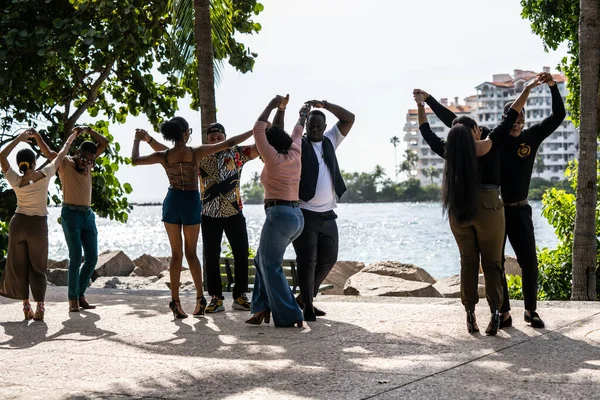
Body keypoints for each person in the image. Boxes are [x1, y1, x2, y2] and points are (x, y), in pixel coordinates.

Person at [415, 71, 563, 329]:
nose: (516, 123)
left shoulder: (528, 137)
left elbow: (558, 116)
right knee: (495, 264)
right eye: (513, 119)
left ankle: (522, 311)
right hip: (494, 210)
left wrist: (426, 102)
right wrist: (428, 101)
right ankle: (502, 312)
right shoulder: (493, 138)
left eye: (520, 120)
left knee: (515, 262)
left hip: (504, 209)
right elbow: (456, 121)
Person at [131, 116, 253, 319]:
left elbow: (135, 160)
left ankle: (176, 303)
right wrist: (256, 129)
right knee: (192, 254)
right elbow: (231, 142)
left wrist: (139, 140)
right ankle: (200, 300)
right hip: (190, 202)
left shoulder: (165, 155)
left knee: (176, 255)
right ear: (186, 133)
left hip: (172, 201)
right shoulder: (196, 153)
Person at [0, 128, 77, 320]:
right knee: (38, 268)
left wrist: (19, 138)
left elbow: (1, 155)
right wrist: (72, 137)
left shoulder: (15, 180)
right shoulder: (45, 174)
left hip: (18, 224)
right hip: (37, 227)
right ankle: (40, 307)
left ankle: (26, 306)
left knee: (19, 265)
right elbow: (61, 154)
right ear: (34, 162)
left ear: (20, 165)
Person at [246, 96, 308, 328]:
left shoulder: (271, 159)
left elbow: (258, 128)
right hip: (296, 218)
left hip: (279, 216)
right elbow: (297, 130)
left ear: (269, 147)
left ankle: (291, 314)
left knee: (270, 266)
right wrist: (300, 113)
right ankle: (261, 307)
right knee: (260, 260)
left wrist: (272, 105)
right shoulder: (294, 151)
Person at [292, 99, 355, 321]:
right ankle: (308, 304)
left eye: (319, 126)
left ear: (325, 126)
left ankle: (304, 297)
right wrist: (301, 116)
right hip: (305, 213)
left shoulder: (330, 140)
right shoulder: (299, 144)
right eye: (312, 126)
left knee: (329, 258)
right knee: (306, 261)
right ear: (307, 126)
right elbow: (293, 135)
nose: (316, 129)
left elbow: (349, 118)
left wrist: (325, 104)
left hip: (328, 215)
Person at [36, 125, 109, 312]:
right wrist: (37, 136)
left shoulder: (89, 163)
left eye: (90, 160)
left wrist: (89, 131)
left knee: (92, 258)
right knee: (76, 256)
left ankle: (81, 294)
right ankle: (72, 300)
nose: (86, 163)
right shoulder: (65, 163)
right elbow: (48, 152)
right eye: (84, 158)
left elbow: (104, 143)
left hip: (87, 215)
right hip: (71, 215)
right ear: (78, 152)